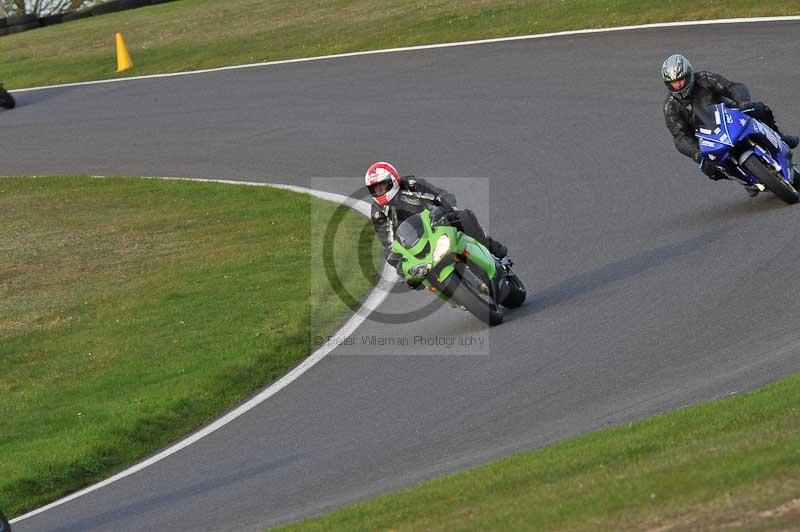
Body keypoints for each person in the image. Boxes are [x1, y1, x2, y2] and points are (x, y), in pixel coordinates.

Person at [662, 54, 799, 196]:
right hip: (708, 138)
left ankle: (779, 137)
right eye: (674, 82)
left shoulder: (704, 78)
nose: (678, 85)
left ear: (689, 74)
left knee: (758, 109)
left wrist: (742, 101)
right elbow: (680, 137)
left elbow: (732, 87)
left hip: (729, 115)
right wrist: (695, 153)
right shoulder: (670, 107)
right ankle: (744, 179)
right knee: (709, 169)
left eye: (681, 79)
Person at [365, 161, 508, 287]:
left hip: (438, 223)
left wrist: (447, 210)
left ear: (393, 180)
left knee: (464, 217)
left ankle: (489, 246)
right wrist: (400, 266)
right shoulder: (378, 212)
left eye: (382, 186)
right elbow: (388, 243)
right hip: (415, 242)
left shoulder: (411, 186)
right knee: (408, 272)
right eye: (375, 189)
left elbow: (441, 195)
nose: (379, 192)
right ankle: (447, 290)